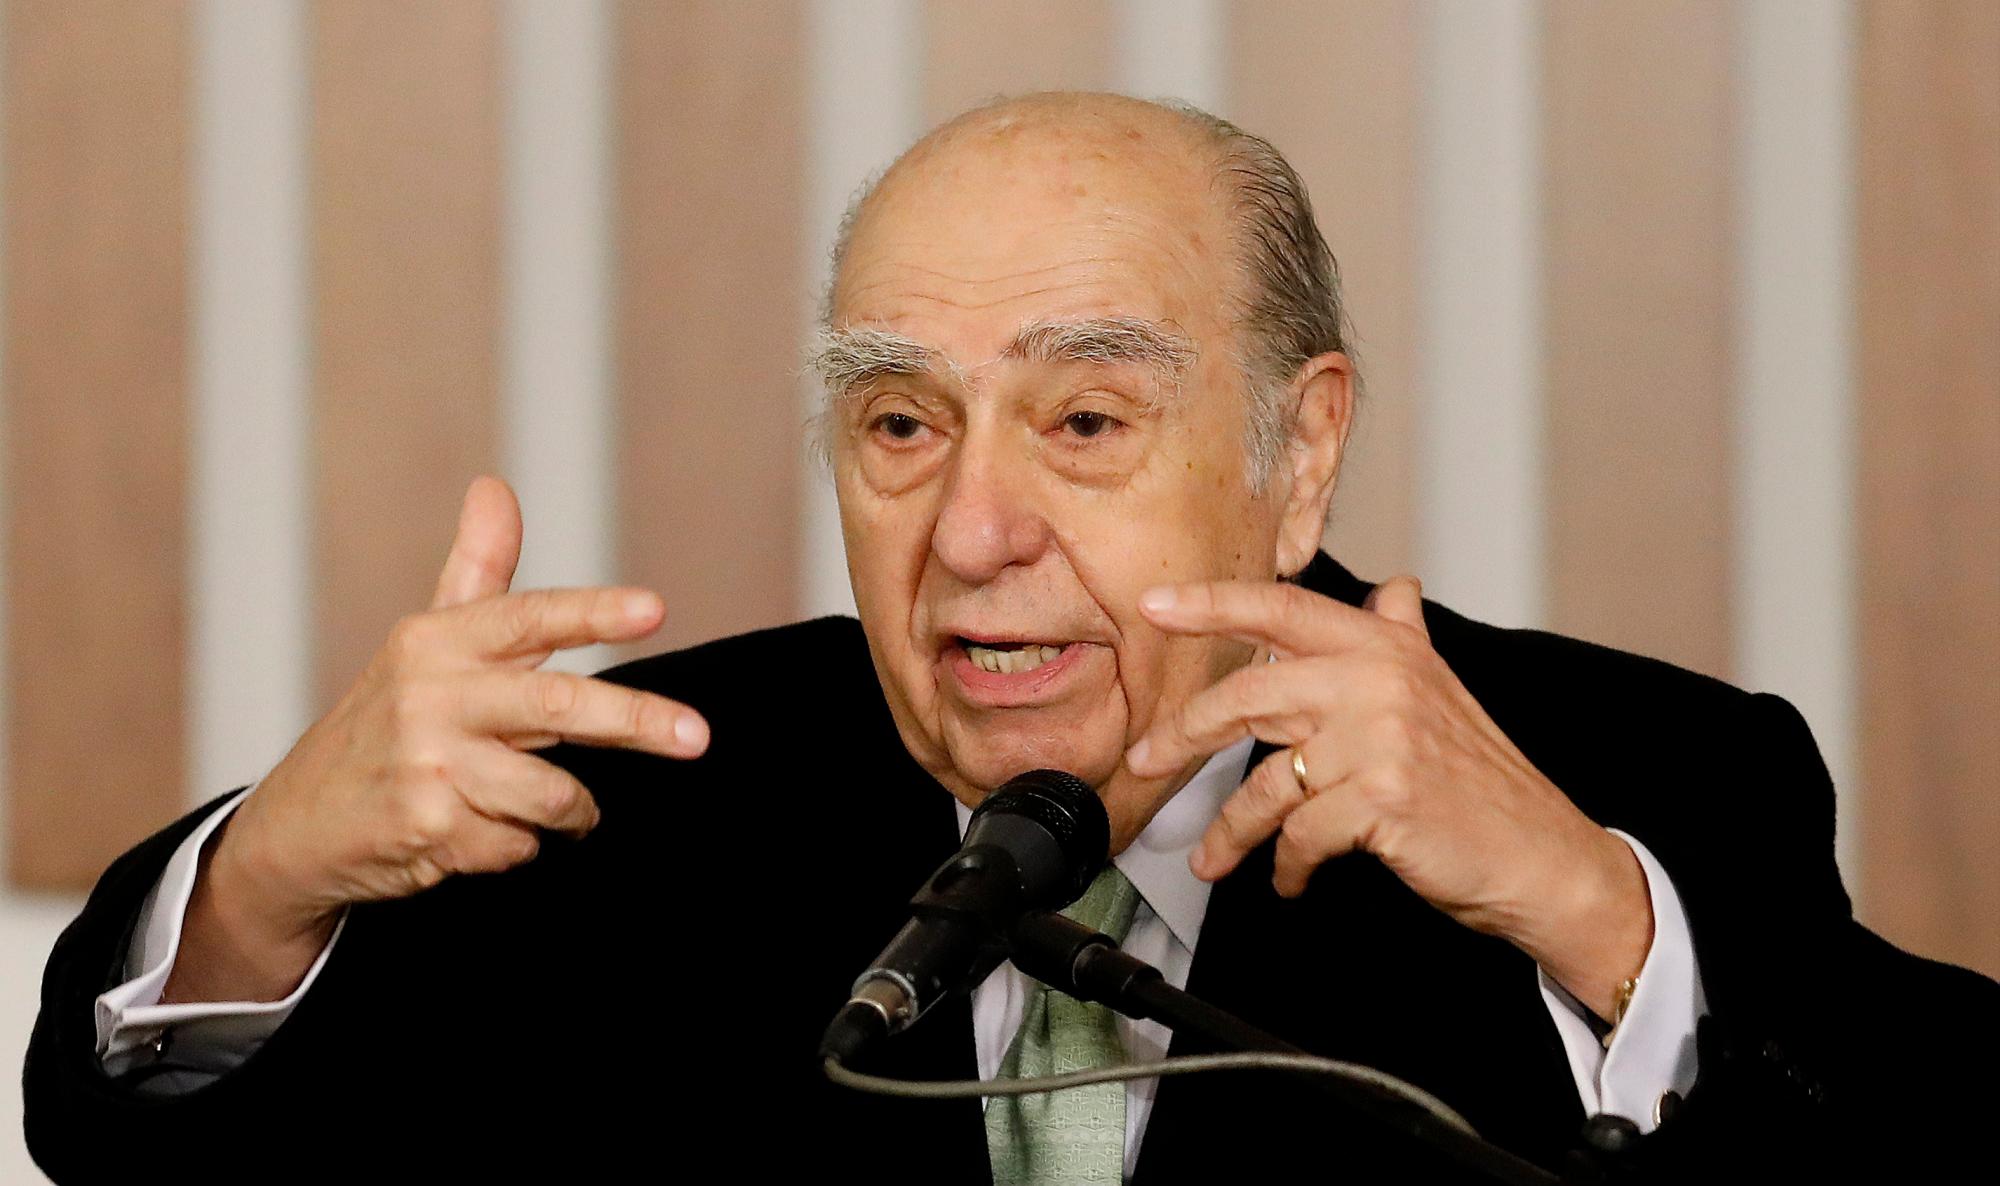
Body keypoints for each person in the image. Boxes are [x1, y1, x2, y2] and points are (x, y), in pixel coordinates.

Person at [25, 92, 1995, 1182]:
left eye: (1084, 420)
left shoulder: (1643, 778)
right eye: (901, 424)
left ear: (1297, 455)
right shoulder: (623, 802)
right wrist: (258, 892)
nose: (969, 531)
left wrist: (1594, 919)